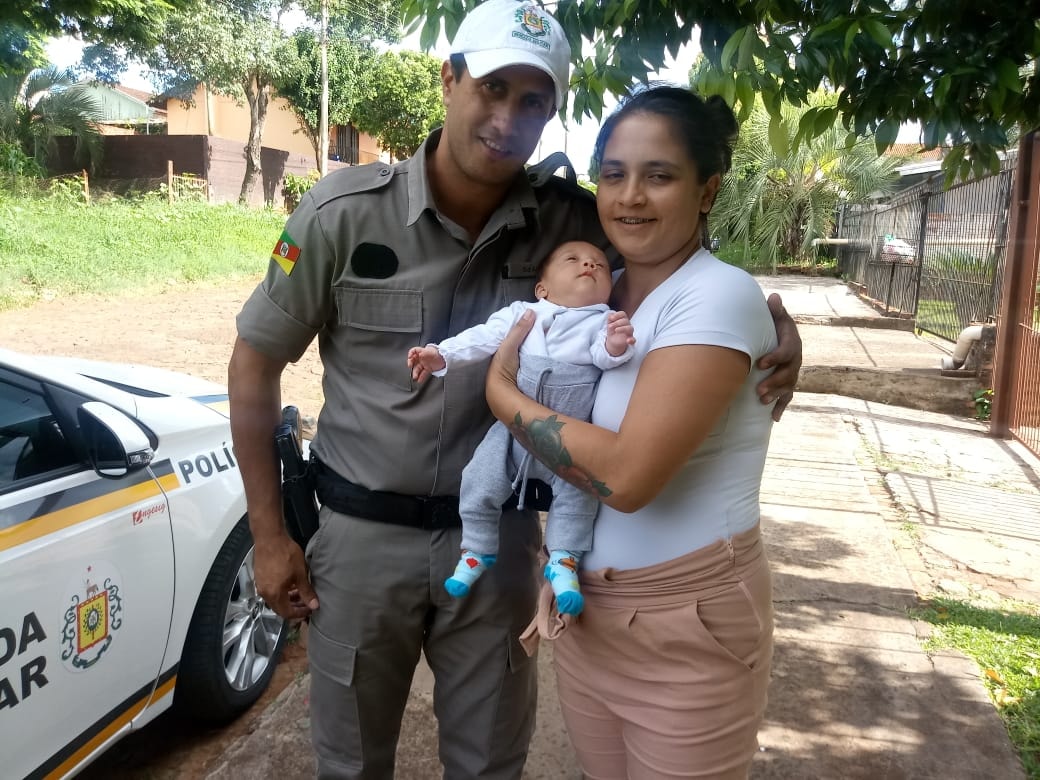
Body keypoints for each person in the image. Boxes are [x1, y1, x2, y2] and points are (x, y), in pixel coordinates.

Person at [227, 0, 801, 775]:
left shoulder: (573, 222)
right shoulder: (342, 213)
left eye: (534, 101)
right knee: (351, 763)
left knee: (491, 763)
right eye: (493, 88)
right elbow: (254, 364)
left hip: (501, 545)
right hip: (361, 544)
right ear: (449, 79)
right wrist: (268, 535)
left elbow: (677, 275)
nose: (508, 119)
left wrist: (775, 331)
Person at [485, 85, 778, 778]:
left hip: (687, 625)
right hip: (587, 608)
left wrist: (502, 396)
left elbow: (625, 476)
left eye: (660, 175)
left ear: (707, 191)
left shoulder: (716, 293)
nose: (631, 196)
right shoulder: (602, 290)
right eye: (614, 175)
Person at [407, 239, 635, 616]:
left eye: (598, 263)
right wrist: (441, 354)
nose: (589, 265)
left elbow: (606, 356)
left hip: (570, 437)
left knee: (580, 496)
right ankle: (476, 549)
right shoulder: (523, 314)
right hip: (513, 433)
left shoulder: (602, 321)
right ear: (541, 288)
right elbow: (482, 337)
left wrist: (615, 345)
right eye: (573, 259)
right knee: (479, 477)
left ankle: (563, 561)